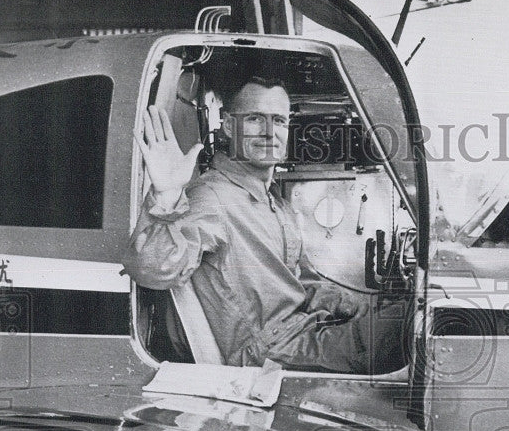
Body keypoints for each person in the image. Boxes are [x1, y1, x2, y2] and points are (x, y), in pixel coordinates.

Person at [122, 75, 407, 374]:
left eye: (280, 121)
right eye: (256, 119)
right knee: (421, 325)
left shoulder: (274, 204)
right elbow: (153, 270)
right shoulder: (214, 198)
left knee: (409, 313)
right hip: (267, 353)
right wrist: (166, 194)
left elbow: (299, 283)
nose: (270, 132)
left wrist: (357, 306)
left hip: (302, 332)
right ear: (230, 126)